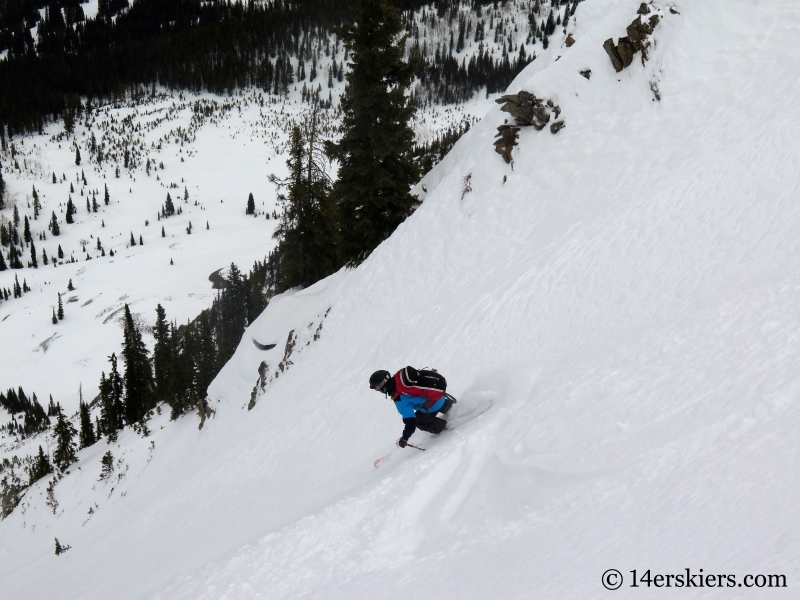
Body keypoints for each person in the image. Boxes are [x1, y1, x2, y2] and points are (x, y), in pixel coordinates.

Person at [369, 367, 456, 448]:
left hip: (432, 406)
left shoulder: (399, 399)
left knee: (418, 421)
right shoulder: (400, 376)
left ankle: (444, 428)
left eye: (377, 389)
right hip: (440, 396)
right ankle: (456, 408)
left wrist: (404, 438)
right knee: (433, 404)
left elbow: (410, 422)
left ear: (382, 386)